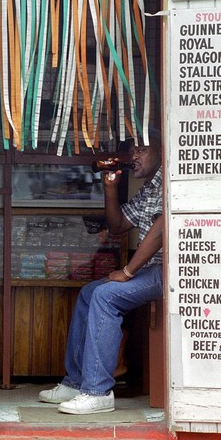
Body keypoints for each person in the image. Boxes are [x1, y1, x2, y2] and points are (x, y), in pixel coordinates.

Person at [39, 128, 163, 414]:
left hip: (170, 270)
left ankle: (98, 392)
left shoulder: (167, 182)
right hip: (150, 269)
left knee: (106, 296)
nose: (134, 156)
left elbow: (160, 231)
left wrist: (129, 271)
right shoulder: (149, 187)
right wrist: (110, 188)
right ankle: (76, 381)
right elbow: (119, 226)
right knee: (89, 292)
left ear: (161, 150)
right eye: (133, 150)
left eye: (142, 149)